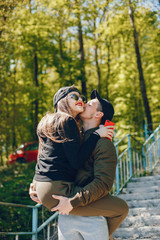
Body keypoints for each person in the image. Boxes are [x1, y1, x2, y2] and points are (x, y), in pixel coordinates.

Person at [30, 88, 129, 240]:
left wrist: (72, 201)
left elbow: (103, 184)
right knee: (121, 208)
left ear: (98, 114)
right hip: (63, 200)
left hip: (75, 203)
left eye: (89, 103)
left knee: (122, 208)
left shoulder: (103, 144)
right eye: (78, 98)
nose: (83, 102)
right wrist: (35, 183)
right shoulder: (73, 133)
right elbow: (47, 156)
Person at [32, 86, 113, 211]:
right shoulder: (67, 121)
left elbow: (43, 155)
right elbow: (76, 162)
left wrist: (34, 184)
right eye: (74, 96)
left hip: (41, 185)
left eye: (82, 97)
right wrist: (96, 135)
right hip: (56, 188)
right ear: (62, 101)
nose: (81, 100)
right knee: (121, 208)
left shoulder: (47, 120)